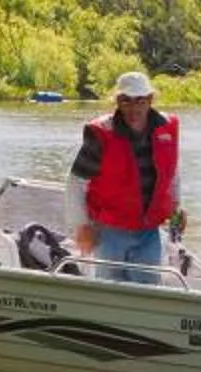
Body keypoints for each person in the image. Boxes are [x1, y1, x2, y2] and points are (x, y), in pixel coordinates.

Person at [67, 70, 180, 284]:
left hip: (149, 232)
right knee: (107, 292)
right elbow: (75, 182)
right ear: (117, 101)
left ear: (150, 100)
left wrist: (176, 208)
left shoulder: (166, 128)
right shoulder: (100, 134)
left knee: (149, 294)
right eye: (126, 100)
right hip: (109, 231)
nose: (134, 108)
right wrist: (81, 226)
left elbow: (172, 175)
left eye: (140, 100)